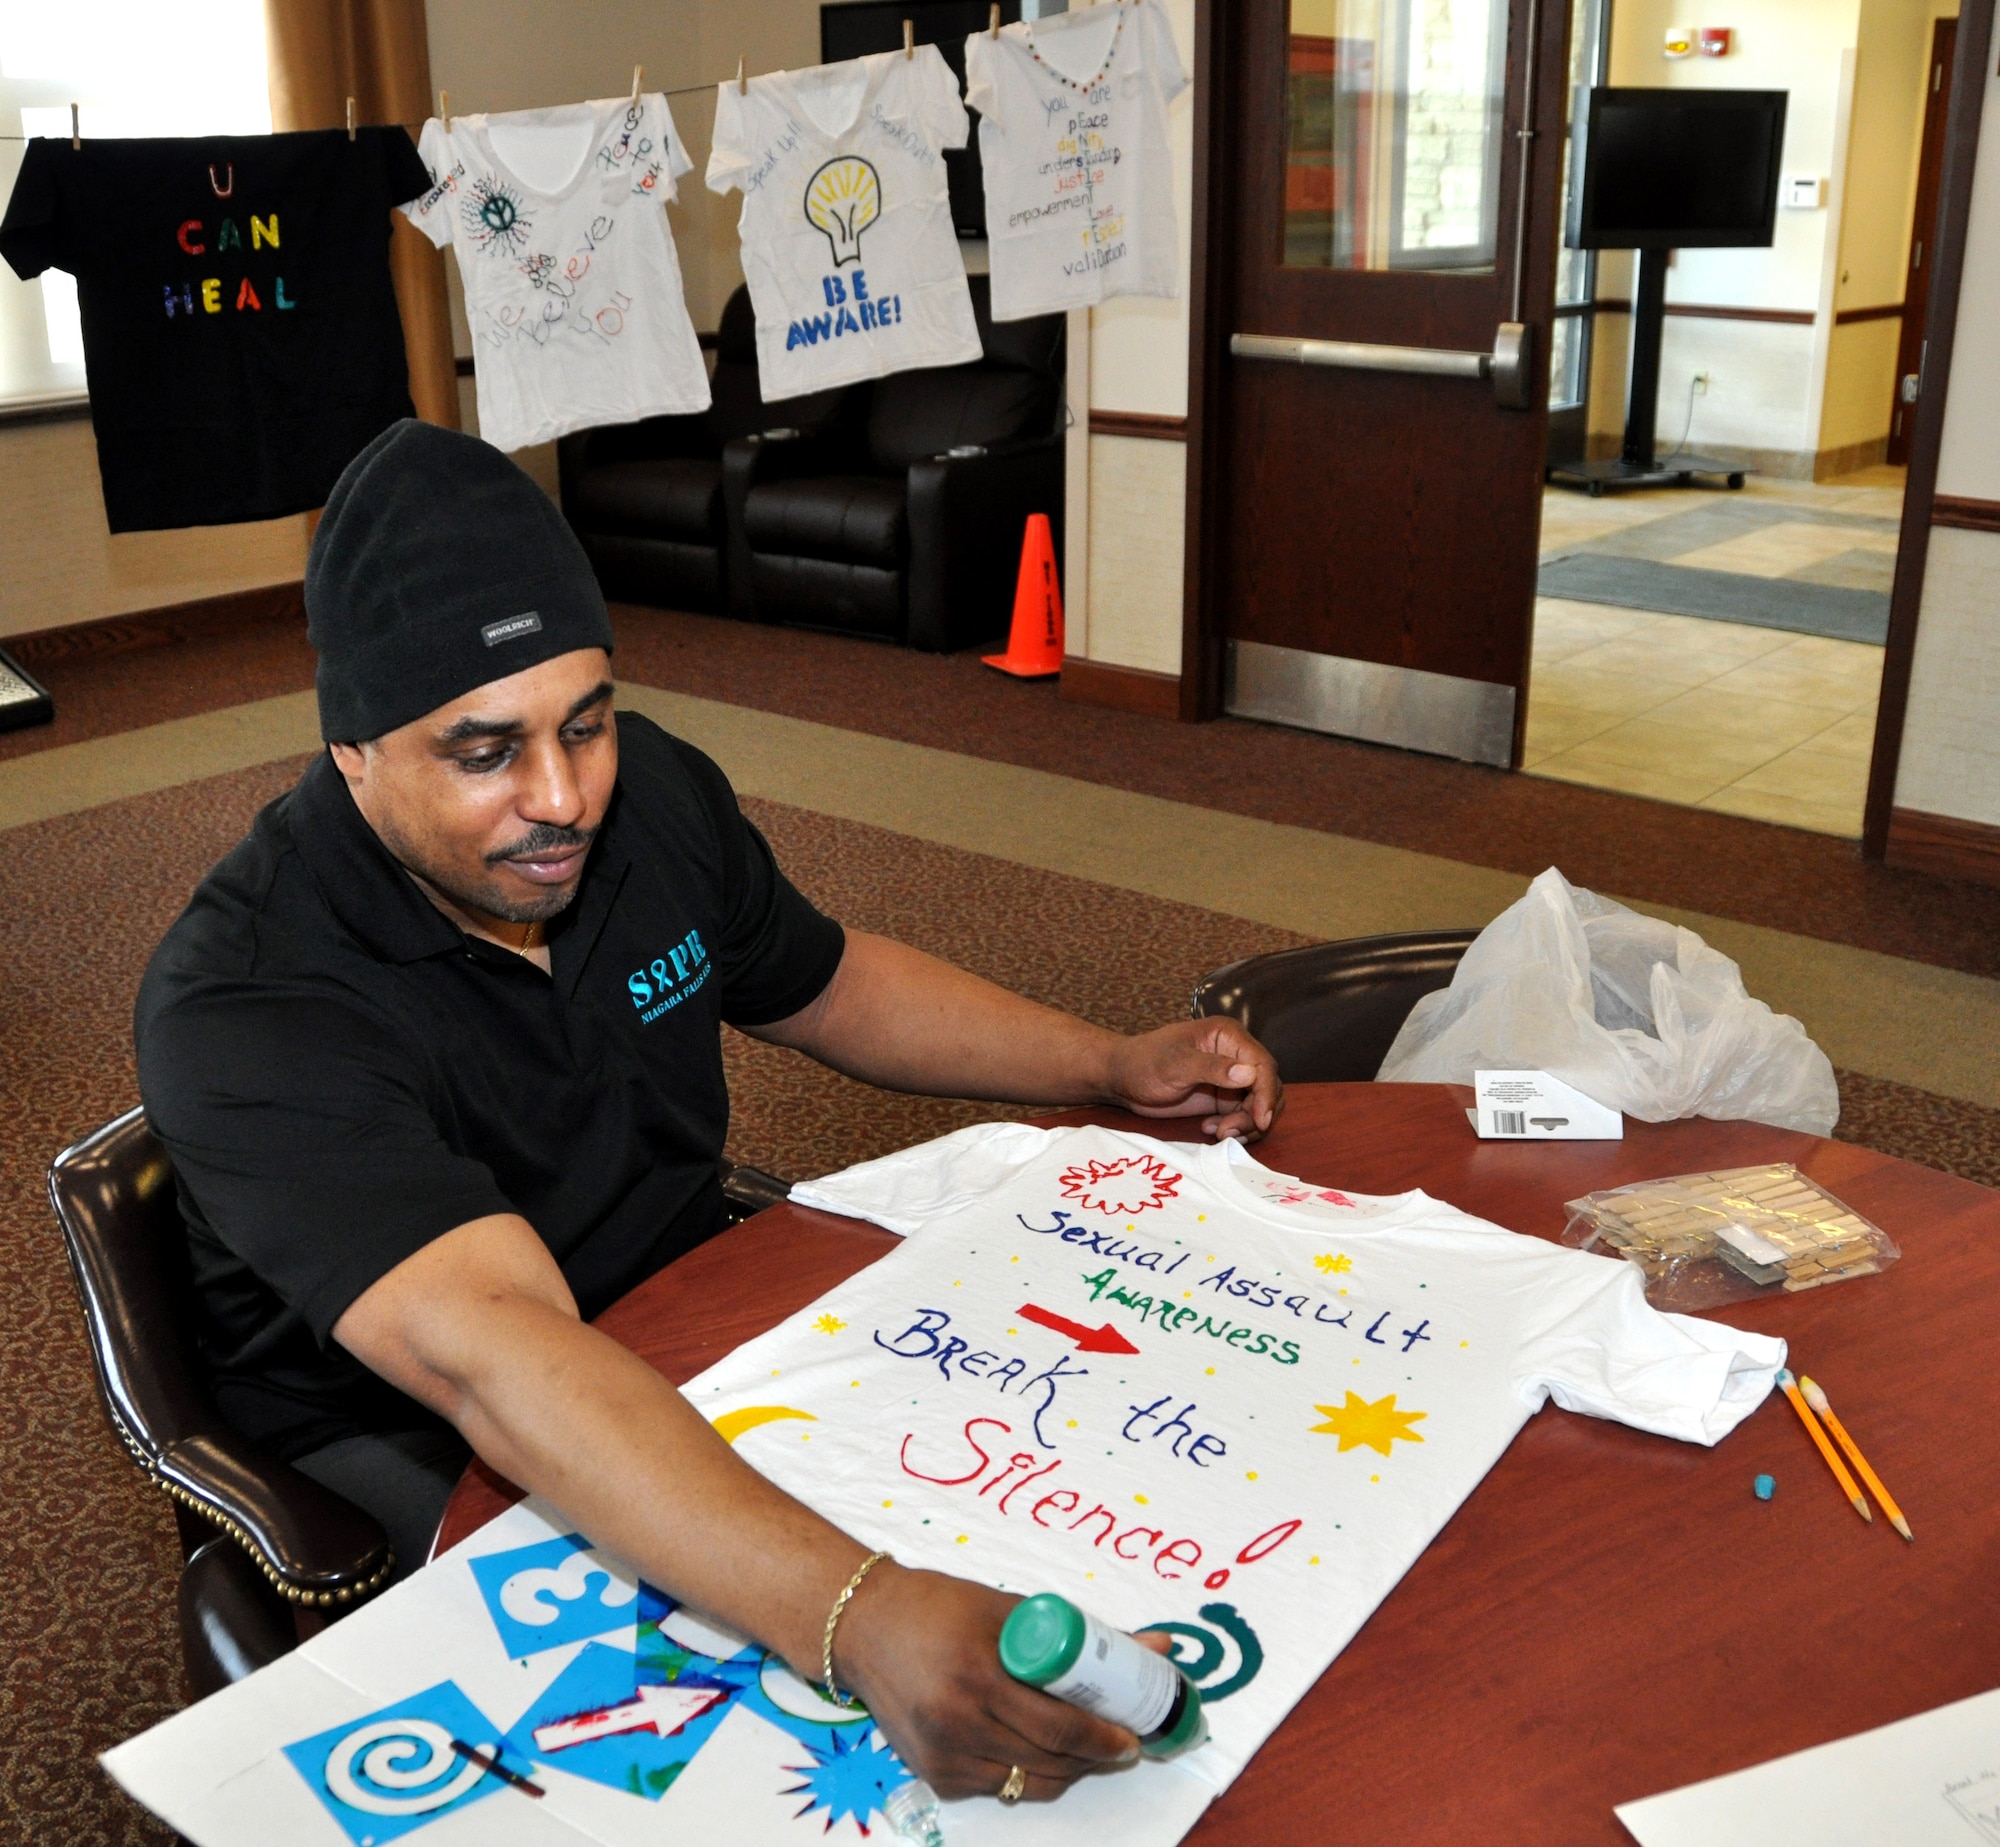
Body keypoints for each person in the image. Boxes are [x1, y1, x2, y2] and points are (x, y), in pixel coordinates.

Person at [135, 420, 1282, 1805]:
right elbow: (497, 1357)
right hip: (414, 1423)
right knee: (743, 1771)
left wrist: (1106, 1063)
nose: (561, 799)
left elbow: (827, 980)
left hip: (679, 1298)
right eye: (484, 751)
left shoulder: (652, 795)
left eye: (586, 721)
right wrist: (854, 1612)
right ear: (354, 750)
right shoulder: (246, 998)